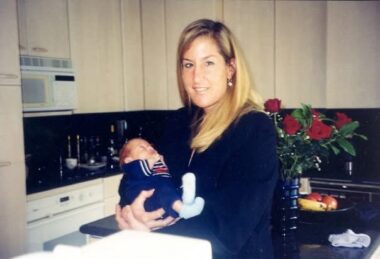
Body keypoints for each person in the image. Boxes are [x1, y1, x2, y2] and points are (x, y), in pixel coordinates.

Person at [115, 19, 278, 259]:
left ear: (230, 68)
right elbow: (138, 175)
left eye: (208, 63)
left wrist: (155, 236)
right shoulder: (178, 122)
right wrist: (134, 209)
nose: (196, 77)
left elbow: (229, 227)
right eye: (188, 64)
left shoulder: (253, 127)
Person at [118, 138, 205, 219]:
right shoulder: (132, 167)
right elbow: (140, 170)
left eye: (151, 146)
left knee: (174, 189)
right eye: (142, 148)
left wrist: (162, 164)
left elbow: (164, 175)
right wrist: (154, 160)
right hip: (147, 198)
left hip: (161, 199)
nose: (150, 148)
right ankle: (183, 210)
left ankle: (188, 202)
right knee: (164, 189)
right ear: (129, 160)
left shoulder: (152, 164)